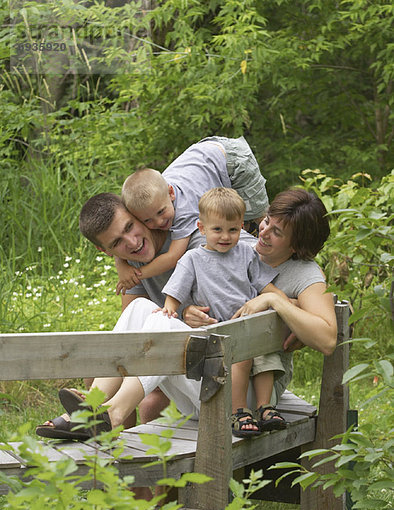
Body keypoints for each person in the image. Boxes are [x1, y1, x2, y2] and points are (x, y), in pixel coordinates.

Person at [38, 188, 337, 442]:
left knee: (163, 324)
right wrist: (188, 310)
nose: (262, 231)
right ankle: (92, 404)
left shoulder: (304, 273)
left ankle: (113, 413)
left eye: (277, 232)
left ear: (296, 245)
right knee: (142, 308)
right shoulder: (241, 247)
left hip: (242, 399)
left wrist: (276, 301)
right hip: (208, 374)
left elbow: (327, 338)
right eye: (267, 221)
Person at [160, 187, 287, 436]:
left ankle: (265, 407)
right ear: (201, 227)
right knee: (241, 356)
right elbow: (176, 291)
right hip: (218, 332)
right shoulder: (193, 259)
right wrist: (170, 308)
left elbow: (266, 286)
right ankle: (238, 410)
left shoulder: (246, 254)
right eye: (217, 229)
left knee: (265, 355)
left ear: (241, 226)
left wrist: (287, 302)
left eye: (233, 230)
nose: (225, 237)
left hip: (249, 325)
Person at [116, 136, 269, 293]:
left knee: (256, 219)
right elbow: (117, 231)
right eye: (148, 220)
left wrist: (135, 276)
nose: (159, 222)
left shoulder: (184, 208)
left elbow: (172, 257)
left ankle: (274, 260)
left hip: (232, 161)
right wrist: (120, 263)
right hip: (202, 156)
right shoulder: (155, 196)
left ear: (171, 193)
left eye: (161, 212)